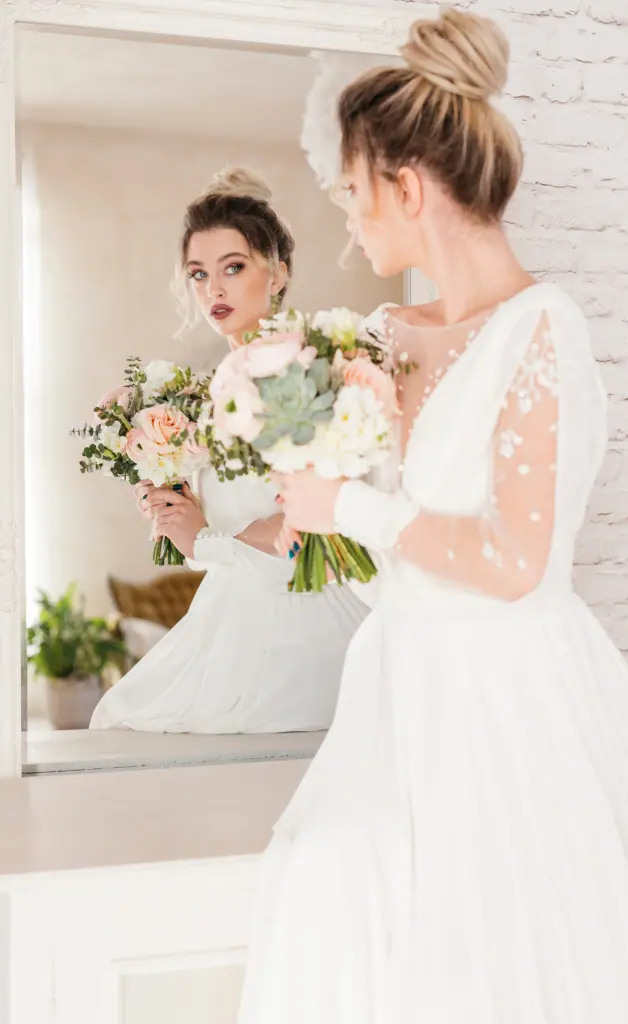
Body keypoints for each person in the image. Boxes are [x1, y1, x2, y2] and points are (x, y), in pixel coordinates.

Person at [238, 11, 628, 1021]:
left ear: (408, 188)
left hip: (505, 702)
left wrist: (349, 503)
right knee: (337, 912)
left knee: (486, 962)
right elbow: (367, 544)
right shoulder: (376, 334)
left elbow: (515, 563)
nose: (350, 225)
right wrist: (303, 492)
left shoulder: (541, 329)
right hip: (397, 688)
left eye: (355, 197)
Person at [90, 168, 368, 734]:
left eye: (233, 268)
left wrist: (208, 540)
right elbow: (229, 518)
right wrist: (177, 508)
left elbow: (317, 523)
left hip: (300, 625)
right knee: (120, 715)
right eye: (198, 274)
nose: (212, 290)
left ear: (279, 271)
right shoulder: (216, 389)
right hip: (229, 615)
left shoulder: (303, 368)